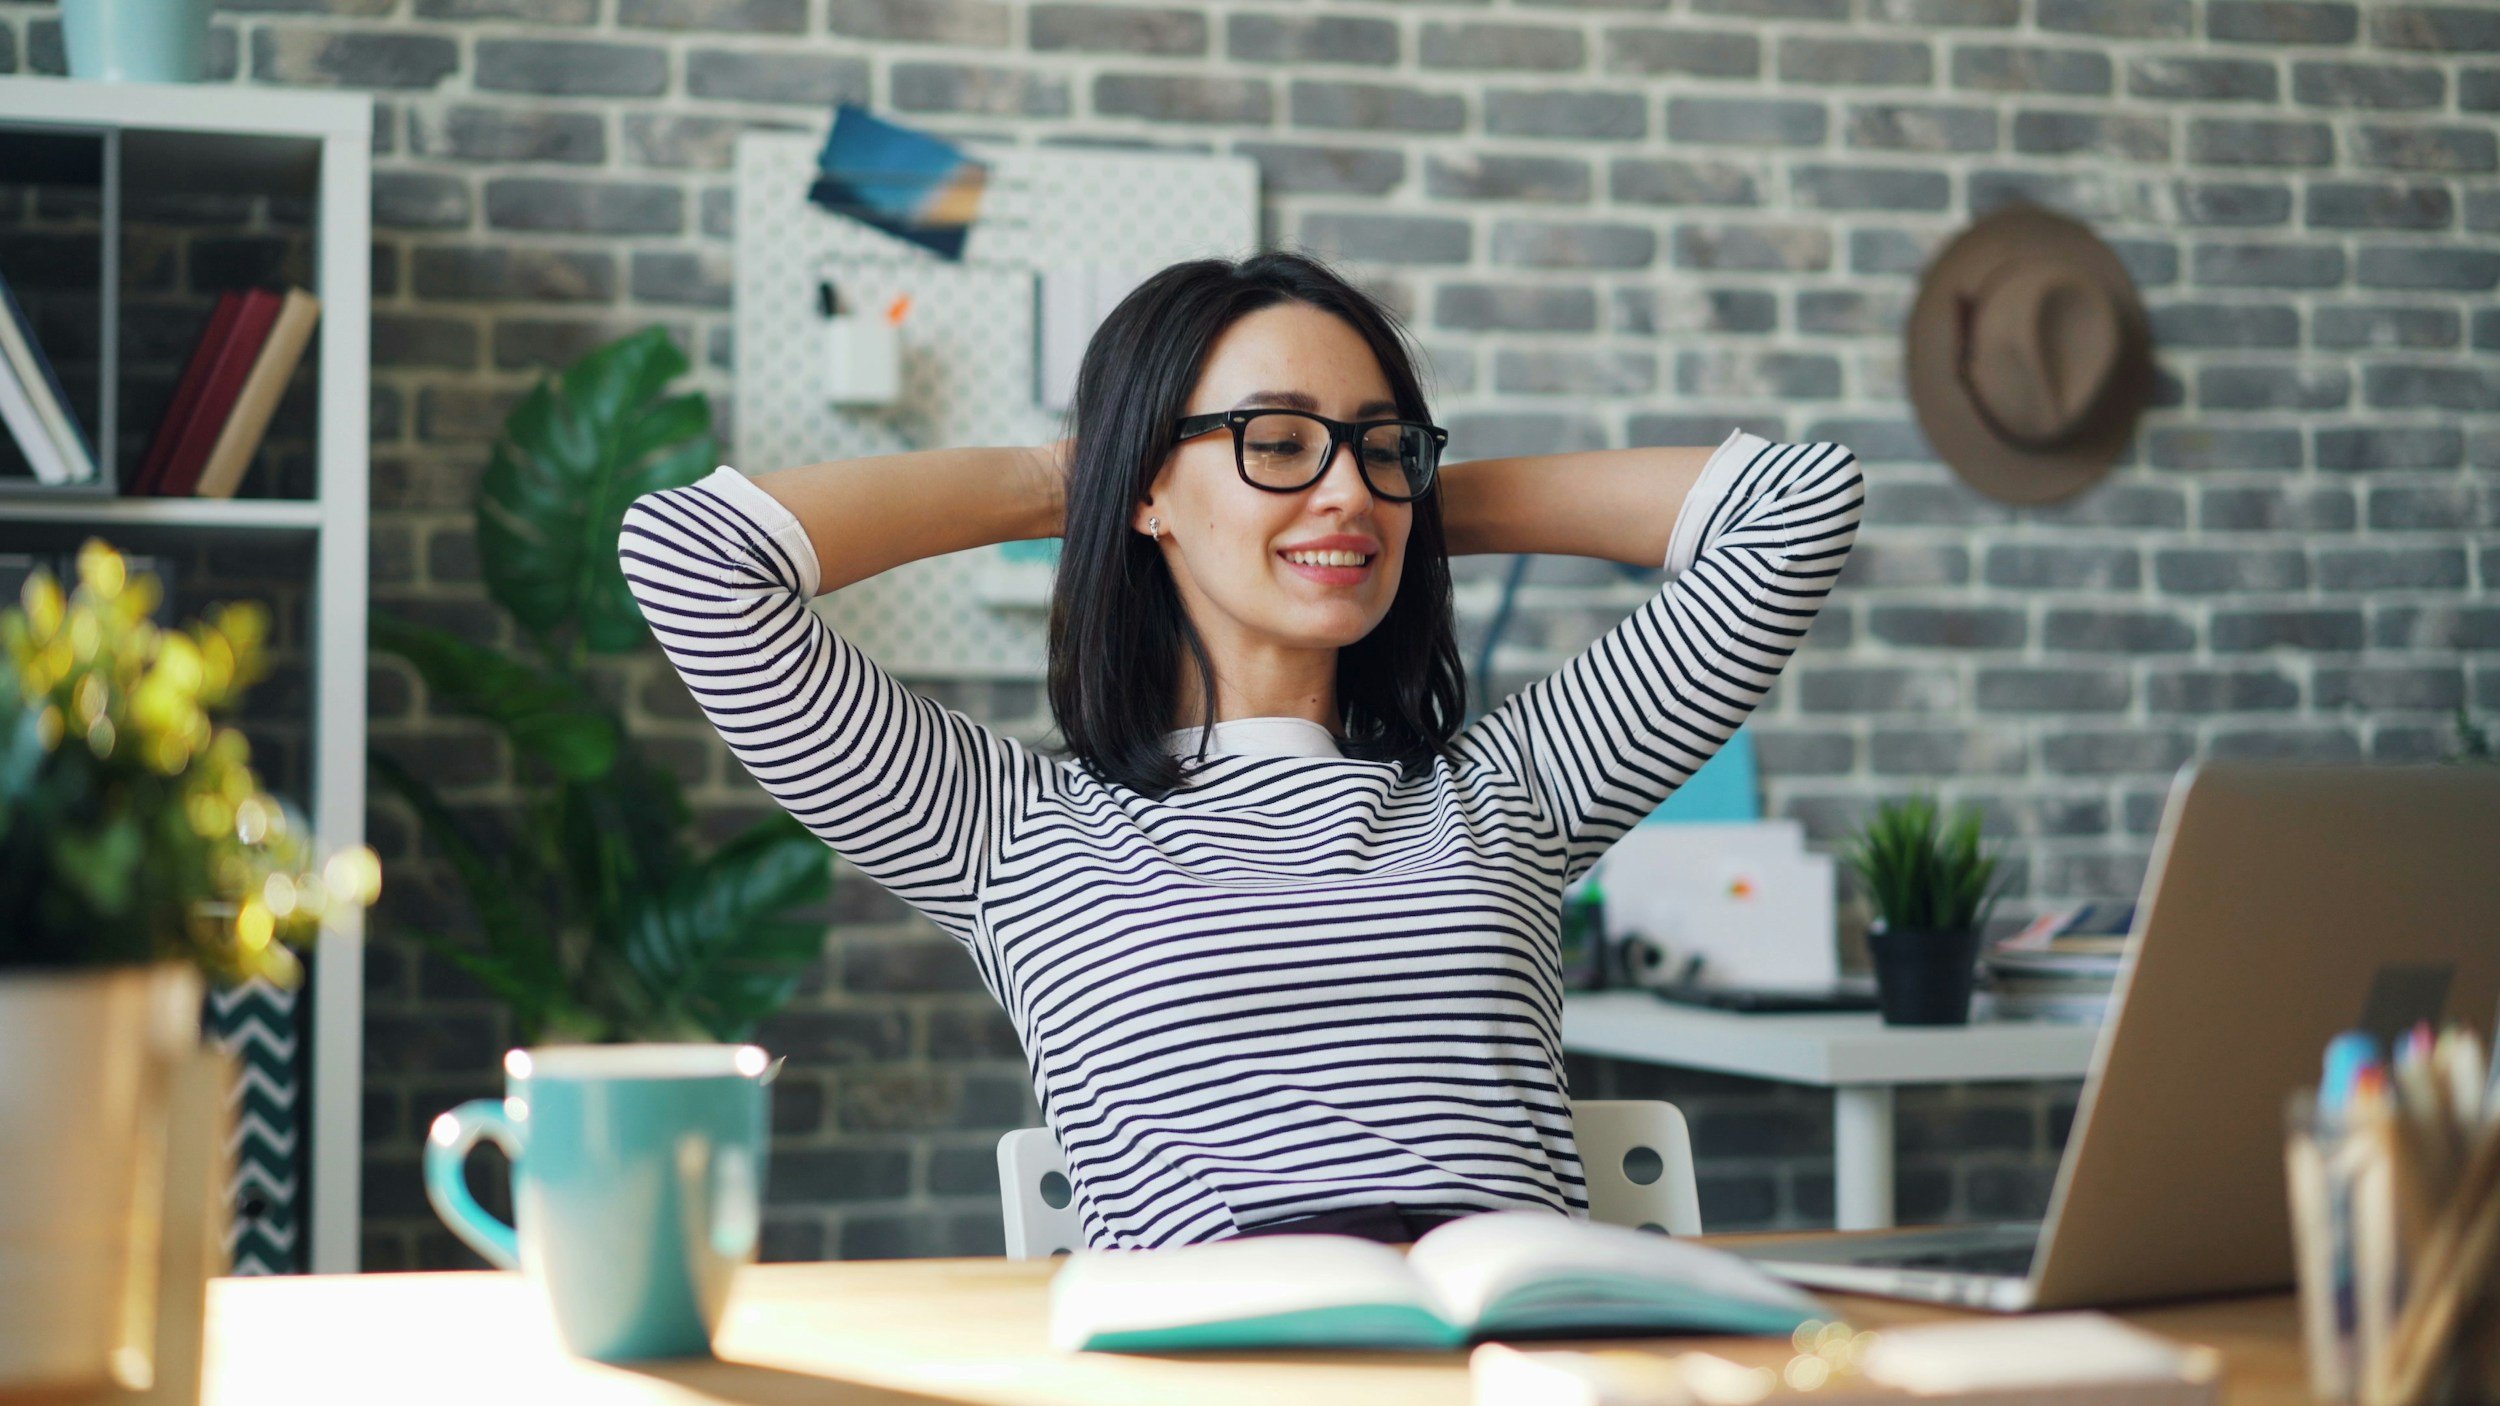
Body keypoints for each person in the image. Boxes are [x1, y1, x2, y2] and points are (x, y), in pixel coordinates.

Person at [620, 251, 1863, 1251]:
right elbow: (691, 559)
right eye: (1275, 439)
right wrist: (1091, 477)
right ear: (1146, 487)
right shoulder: (1004, 828)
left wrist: (1395, 508)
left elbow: (1795, 507)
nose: (1345, 490)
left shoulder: (1512, 791)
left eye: (1384, 444)